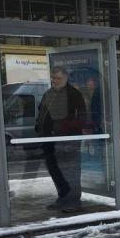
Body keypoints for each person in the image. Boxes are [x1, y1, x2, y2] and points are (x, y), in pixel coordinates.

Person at [36, 66, 87, 212]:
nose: (54, 81)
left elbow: (82, 116)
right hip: (48, 138)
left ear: (65, 78)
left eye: (57, 78)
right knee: (54, 169)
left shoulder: (73, 94)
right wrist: (38, 128)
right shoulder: (48, 94)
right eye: (52, 78)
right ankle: (63, 197)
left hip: (68, 138)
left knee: (71, 169)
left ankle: (74, 200)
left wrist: (69, 130)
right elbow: (41, 113)